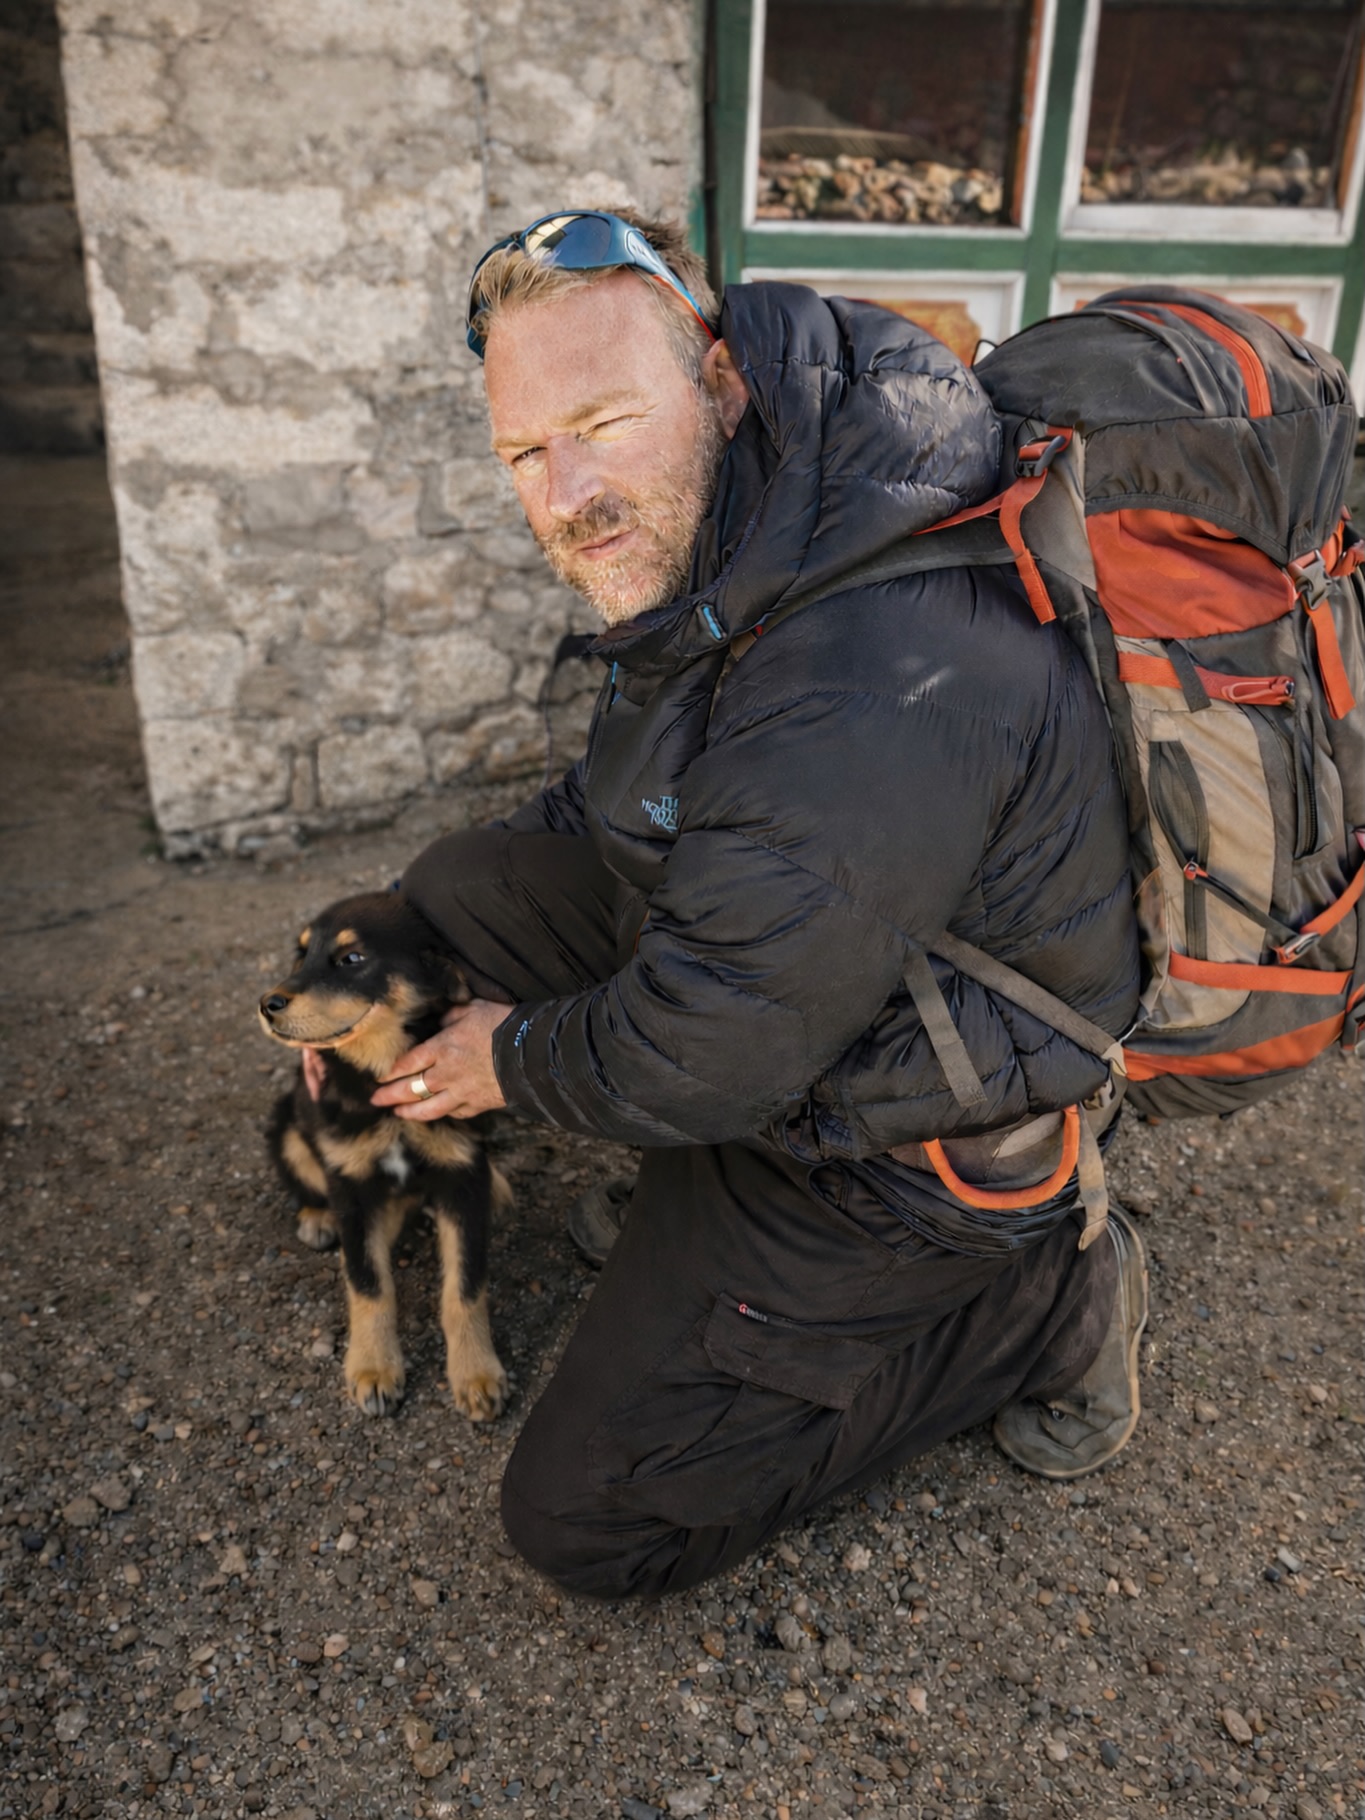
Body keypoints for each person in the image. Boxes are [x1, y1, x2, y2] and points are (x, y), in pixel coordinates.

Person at [333, 208, 1147, 1600]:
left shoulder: (863, 676)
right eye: (526, 451)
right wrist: (386, 949)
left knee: (587, 1526)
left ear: (715, 375)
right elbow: (636, 801)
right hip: (810, 984)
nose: (564, 492)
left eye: (602, 419)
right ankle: (690, 1203)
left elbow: (708, 1049)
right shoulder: (767, 498)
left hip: (906, 1144)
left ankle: (1035, 1307)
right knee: (455, 895)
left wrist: (508, 1058)